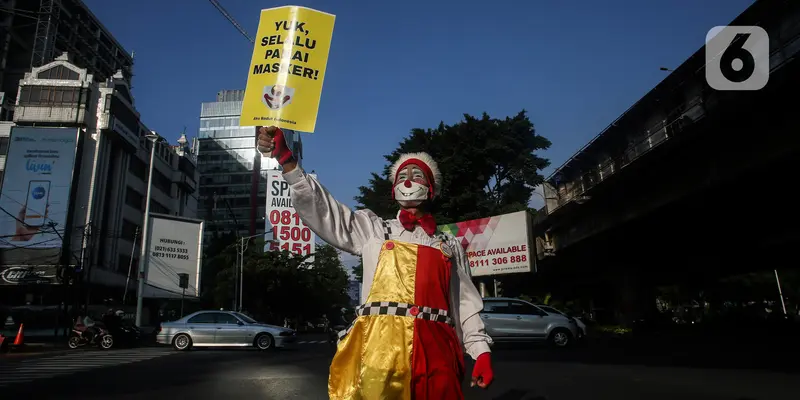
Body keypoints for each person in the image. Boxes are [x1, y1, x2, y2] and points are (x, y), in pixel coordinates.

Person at [258, 126, 494, 399]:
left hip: (437, 354)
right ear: (394, 189)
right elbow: (327, 212)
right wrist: (288, 161)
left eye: (417, 175)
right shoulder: (373, 230)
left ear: (431, 188)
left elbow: (465, 306)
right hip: (380, 353)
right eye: (402, 176)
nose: (409, 181)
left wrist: (481, 352)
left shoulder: (449, 246)